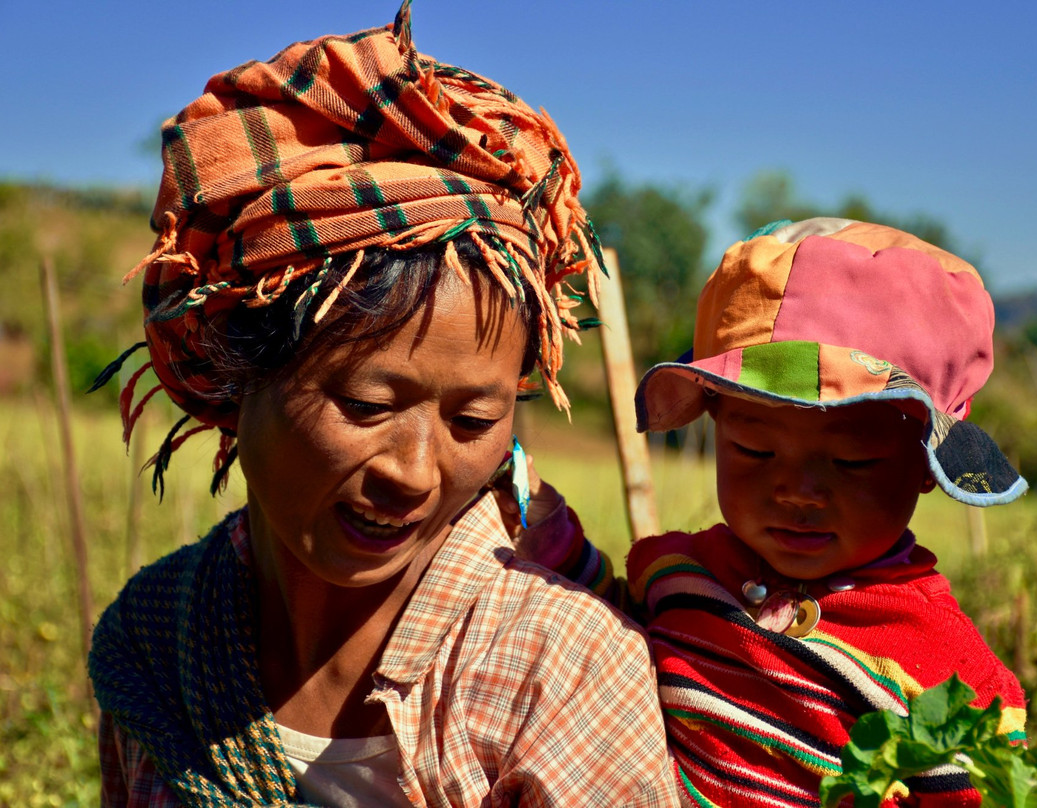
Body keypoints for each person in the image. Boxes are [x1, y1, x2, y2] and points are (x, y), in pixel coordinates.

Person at [87, 4, 680, 806]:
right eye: (367, 405)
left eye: (473, 422)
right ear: (235, 371)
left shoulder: (559, 669)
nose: (415, 472)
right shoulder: (157, 641)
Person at [517, 218, 1029, 807]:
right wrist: (548, 533)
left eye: (852, 461)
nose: (797, 492)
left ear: (928, 465)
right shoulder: (682, 575)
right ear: (715, 421)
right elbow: (611, 634)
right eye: (754, 450)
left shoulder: (949, 674)